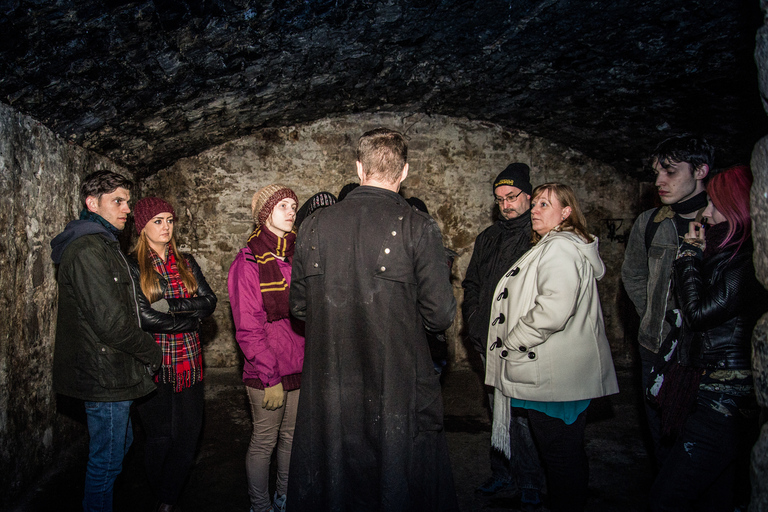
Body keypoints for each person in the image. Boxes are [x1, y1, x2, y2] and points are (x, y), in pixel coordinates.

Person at [287, 128, 458, 511]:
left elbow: (298, 307)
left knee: (335, 477)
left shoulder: (313, 225)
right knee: (396, 475)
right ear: (405, 171)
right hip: (395, 375)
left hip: (331, 377)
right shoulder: (418, 225)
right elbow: (441, 314)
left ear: (359, 167)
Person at [485, 183, 619, 512]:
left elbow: (553, 310)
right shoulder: (559, 244)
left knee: (561, 460)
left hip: (554, 377)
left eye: (545, 205)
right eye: (537, 204)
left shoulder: (560, 247)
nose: (535, 210)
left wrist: (513, 341)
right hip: (558, 373)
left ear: (566, 212)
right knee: (565, 458)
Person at [648, 165, 768, 511]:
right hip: (711, 385)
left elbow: (698, 314)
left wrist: (688, 255)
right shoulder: (726, 254)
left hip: (726, 395)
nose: (707, 213)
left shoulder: (746, 261)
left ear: (738, 208)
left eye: (716, 205)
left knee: (668, 497)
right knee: (713, 495)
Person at [50, 171, 162, 512]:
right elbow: (112, 323)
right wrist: (151, 351)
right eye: (118, 201)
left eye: (127, 201)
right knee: (106, 463)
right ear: (91, 203)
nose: (127, 209)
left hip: (113, 368)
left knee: (119, 444)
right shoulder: (87, 250)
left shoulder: (103, 244)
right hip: (105, 374)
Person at [621, 135, 713, 466]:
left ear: (701, 170)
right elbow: (632, 275)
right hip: (655, 349)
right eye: (657, 172)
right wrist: (655, 317)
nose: (659, 181)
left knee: (702, 451)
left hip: (705, 358)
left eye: (670, 172)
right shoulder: (649, 223)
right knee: (663, 445)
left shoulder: (723, 220)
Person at [461, 163, 545, 506]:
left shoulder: (540, 238)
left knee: (523, 415)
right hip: (488, 341)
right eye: (499, 200)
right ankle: (503, 473)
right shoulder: (489, 237)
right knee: (497, 411)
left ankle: (530, 481)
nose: (505, 205)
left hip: (523, 343)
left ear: (529, 196)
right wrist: (475, 318)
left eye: (512, 197)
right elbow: (472, 283)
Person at [128, 197, 217, 512]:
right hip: (155, 364)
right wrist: (191, 319)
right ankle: (162, 494)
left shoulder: (187, 261)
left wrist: (173, 308)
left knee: (189, 433)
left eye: (169, 220)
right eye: (157, 221)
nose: (166, 227)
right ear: (143, 227)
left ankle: (167, 497)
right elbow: (145, 317)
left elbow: (210, 302)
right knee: (160, 437)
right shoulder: (133, 265)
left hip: (190, 362)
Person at [228, 184, 304, 512]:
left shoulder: (296, 255)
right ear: (264, 213)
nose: (291, 211)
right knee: (264, 442)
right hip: (267, 371)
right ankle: (260, 507)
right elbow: (248, 328)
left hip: (298, 366)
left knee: (290, 439)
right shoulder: (247, 262)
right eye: (282, 205)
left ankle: (284, 498)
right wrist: (270, 377)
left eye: (293, 205)